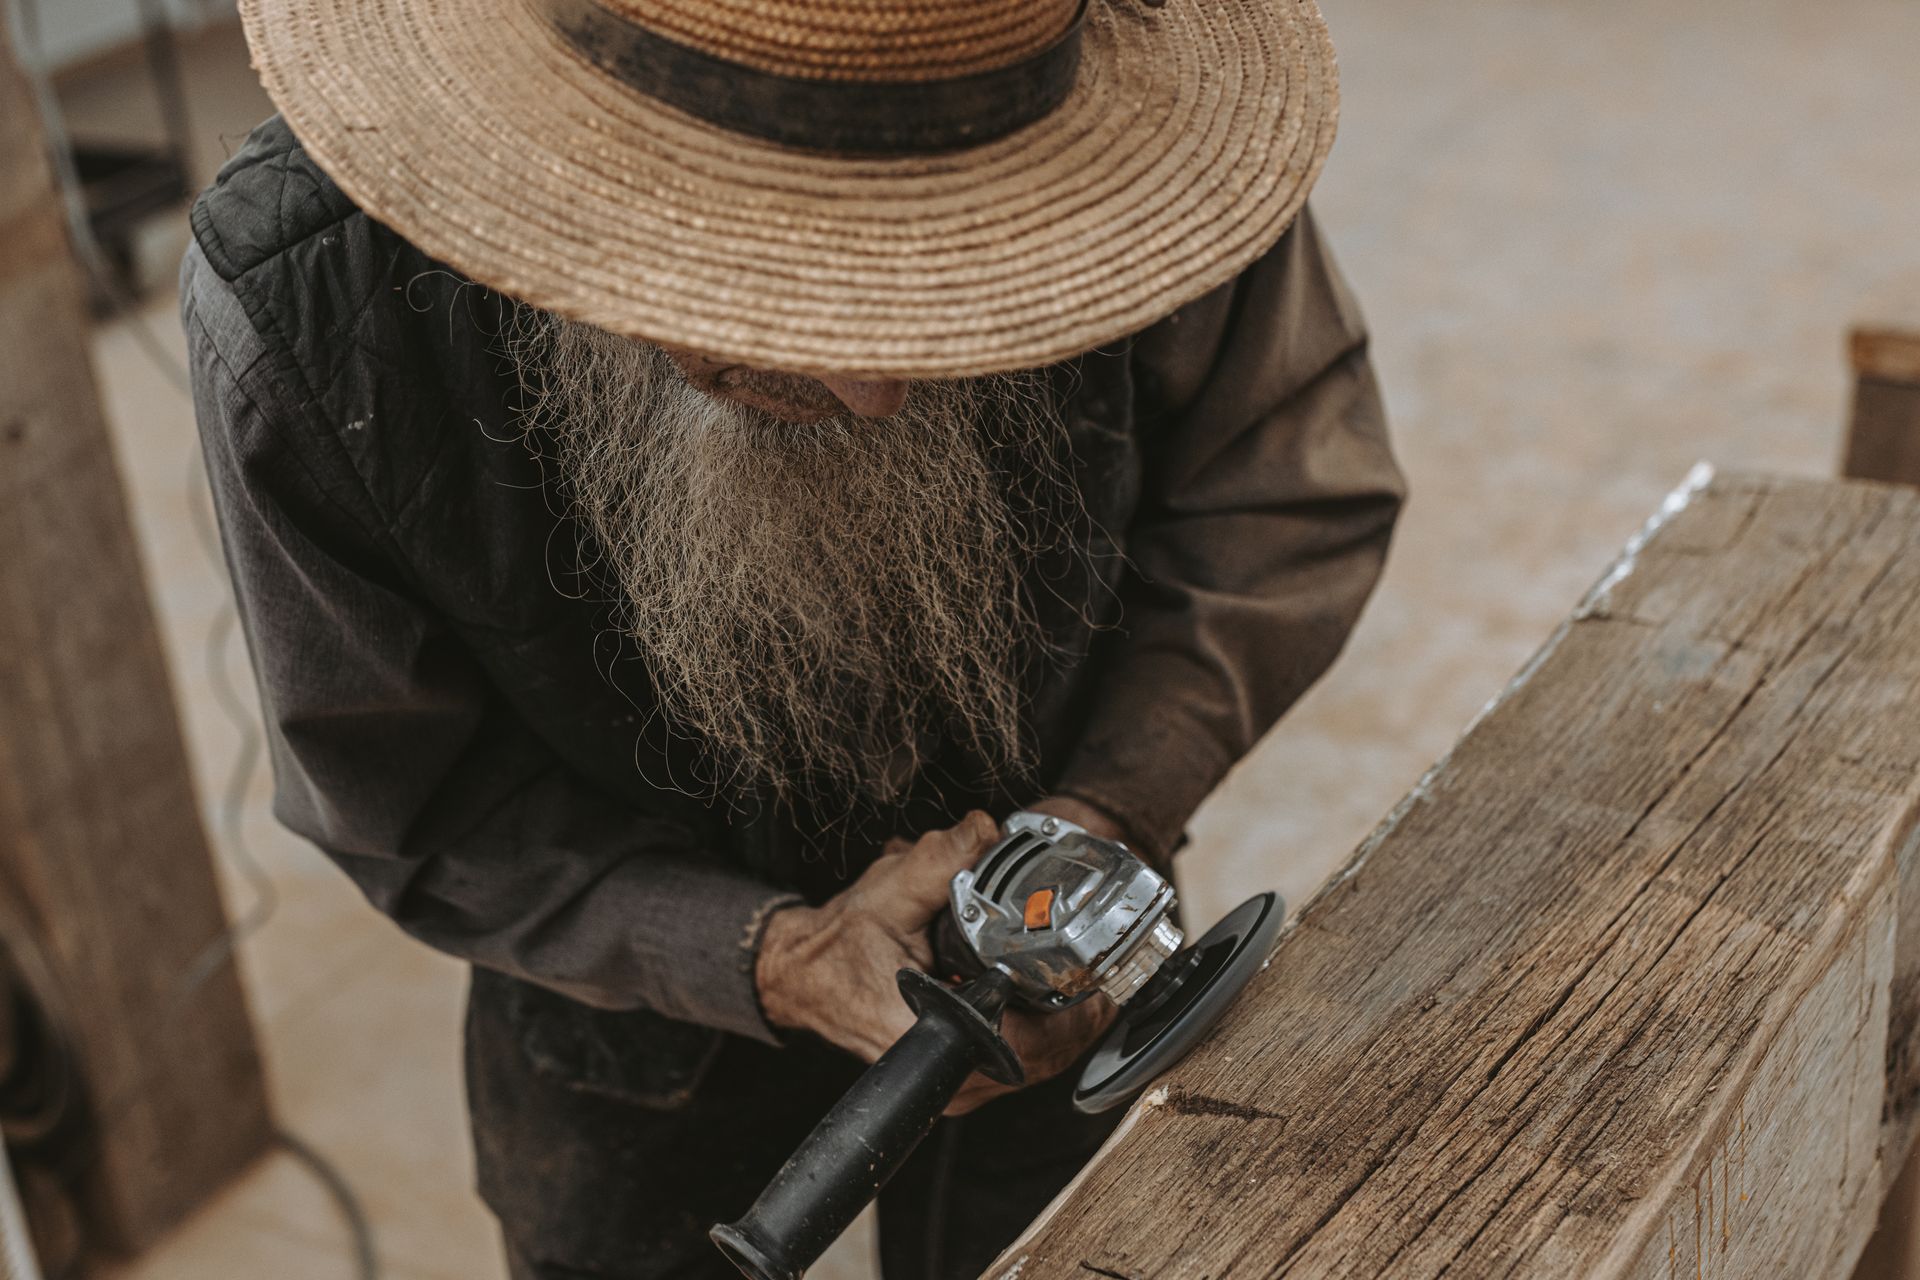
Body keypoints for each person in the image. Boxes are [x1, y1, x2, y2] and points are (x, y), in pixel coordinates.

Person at [182, 0, 1404, 1275]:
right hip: (629, 1023)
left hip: (1055, 955)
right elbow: (411, 802)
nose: (879, 392)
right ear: (564, 169)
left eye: (960, 280)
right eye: (786, 288)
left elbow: (1286, 489)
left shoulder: (1138, 129)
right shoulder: (309, 305)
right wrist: (760, 954)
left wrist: (1101, 821)